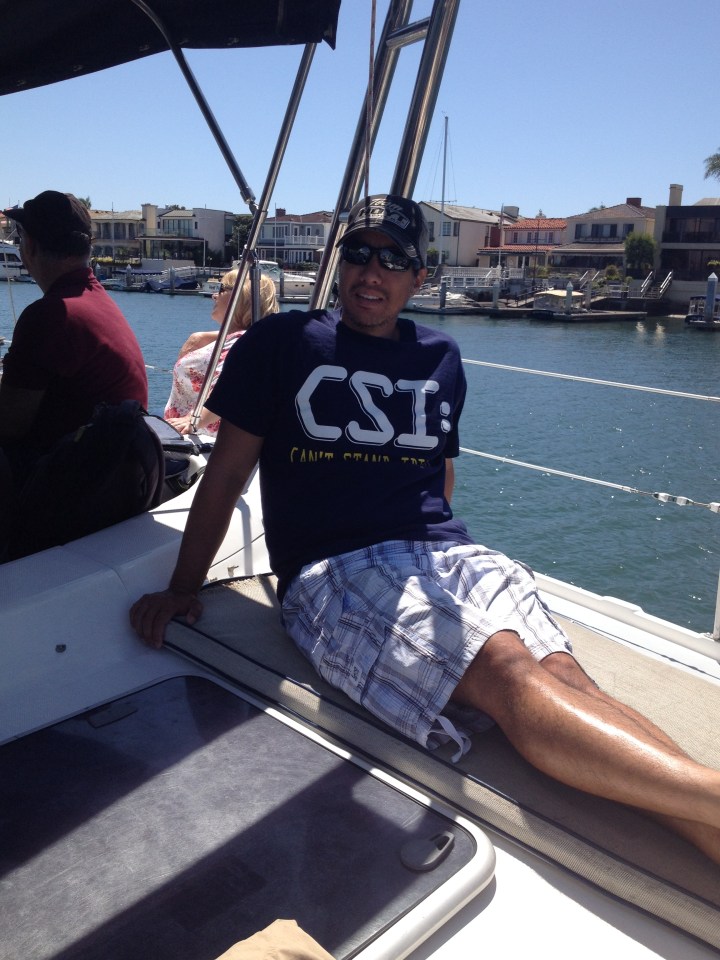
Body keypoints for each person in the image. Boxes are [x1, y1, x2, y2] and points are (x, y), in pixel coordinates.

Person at [131, 194, 720, 866]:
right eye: (359, 253)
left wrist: (441, 555)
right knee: (504, 667)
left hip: (445, 553)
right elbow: (227, 473)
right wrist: (183, 586)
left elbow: (439, 476)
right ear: (339, 264)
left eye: (393, 260)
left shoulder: (440, 355)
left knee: (566, 677)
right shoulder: (281, 344)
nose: (371, 272)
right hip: (337, 567)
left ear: (419, 277)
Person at [0, 190, 148, 485]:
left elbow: (8, 424)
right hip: (118, 475)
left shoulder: (49, 315)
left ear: (30, 246)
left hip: (68, 485)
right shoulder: (96, 299)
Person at [164, 268, 277, 435]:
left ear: (241, 295)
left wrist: (194, 419)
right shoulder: (242, 339)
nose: (214, 295)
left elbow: (227, 387)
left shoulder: (243, 344)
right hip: (182, 431)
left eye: (221, 289)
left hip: (195, 435)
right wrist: (200, 337)